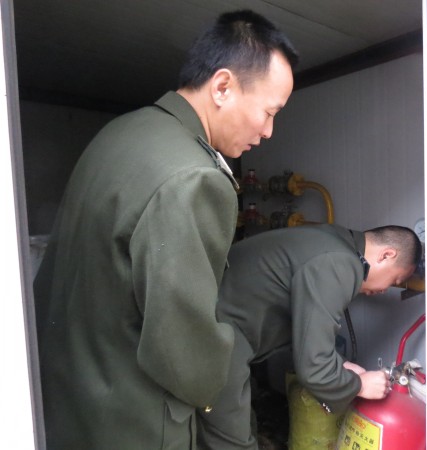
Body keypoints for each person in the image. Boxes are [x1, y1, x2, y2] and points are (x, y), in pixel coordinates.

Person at [33, 10, 298, 450]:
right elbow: (186, 354)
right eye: (269, 112)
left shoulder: (121, 132)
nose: (269, 131)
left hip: (70, 401)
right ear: (222, 87)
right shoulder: (195, 178)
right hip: (134, 423)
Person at [197, 223, 422, 449]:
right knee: (231, 439)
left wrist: (341, 365)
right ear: (386, 255)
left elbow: (305, 331)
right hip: (215, 336)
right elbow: (315, 369)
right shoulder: (339, 263)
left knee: (226, 428)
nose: (384, 290)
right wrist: (360, 385)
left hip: (209, 321)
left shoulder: (333, 241)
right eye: (395, 280)